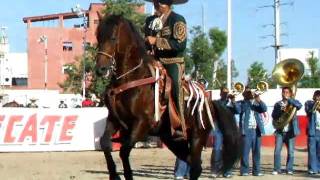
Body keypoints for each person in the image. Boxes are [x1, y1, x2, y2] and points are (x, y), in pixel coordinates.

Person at [145, 0, 188, 137]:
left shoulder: (177, 19)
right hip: (154, 61)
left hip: (172, 61)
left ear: (169, 4)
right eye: (156, 3)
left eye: (161, 3)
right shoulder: (150, 20)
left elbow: (180, 45)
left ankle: (181, 123)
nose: (157, 6)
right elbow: (146, 40)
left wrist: (156, 41)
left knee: (175, 85)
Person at [271, 86, 302, 175]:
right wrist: (280, 111)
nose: (285, 93)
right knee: (277, 151)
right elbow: (274, 115)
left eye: (287, 92)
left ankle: (289, 169)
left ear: (290, 93)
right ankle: (277, 169)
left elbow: (299, 106)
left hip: (291, 130)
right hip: (280, 130)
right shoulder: (278, 104)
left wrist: (290, 100)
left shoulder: (294, 102)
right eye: (284, 92)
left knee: (291, 152)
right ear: (282, 93)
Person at [211, 87, 240, 178]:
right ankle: (215, 170)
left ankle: (227, 171)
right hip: (219, 130)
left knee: (229, 150)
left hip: (230, 131)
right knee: (217, 150)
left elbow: (238, 111)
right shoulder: (216, 103)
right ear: (220, 93)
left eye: (226, 93)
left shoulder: (231, 103)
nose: (225, 94)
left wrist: (233, 101)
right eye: (223, 93)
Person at [239, 86, 267, 176]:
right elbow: (239, 109)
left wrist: (258, 99)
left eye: (250, 92)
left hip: (256, 130)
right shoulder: (242, 103)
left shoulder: (255, 104)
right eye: (247, 93)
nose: (250, 94)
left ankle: (257, 171)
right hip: (246, 130)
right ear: (244, 94)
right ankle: (244, 171)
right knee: (245, 152)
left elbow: (264, 109)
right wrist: (248, 101)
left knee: (257, 152)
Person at [304, 90, 320, 175]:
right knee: (312, 151)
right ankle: (312, 169)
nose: (318, 97)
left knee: (319, 151)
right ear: (314, 96)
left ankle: (318, 168)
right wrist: (315, 104)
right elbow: (308, 112)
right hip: (313, 131)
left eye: (319, 96)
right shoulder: (308, 103)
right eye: (317, 96)